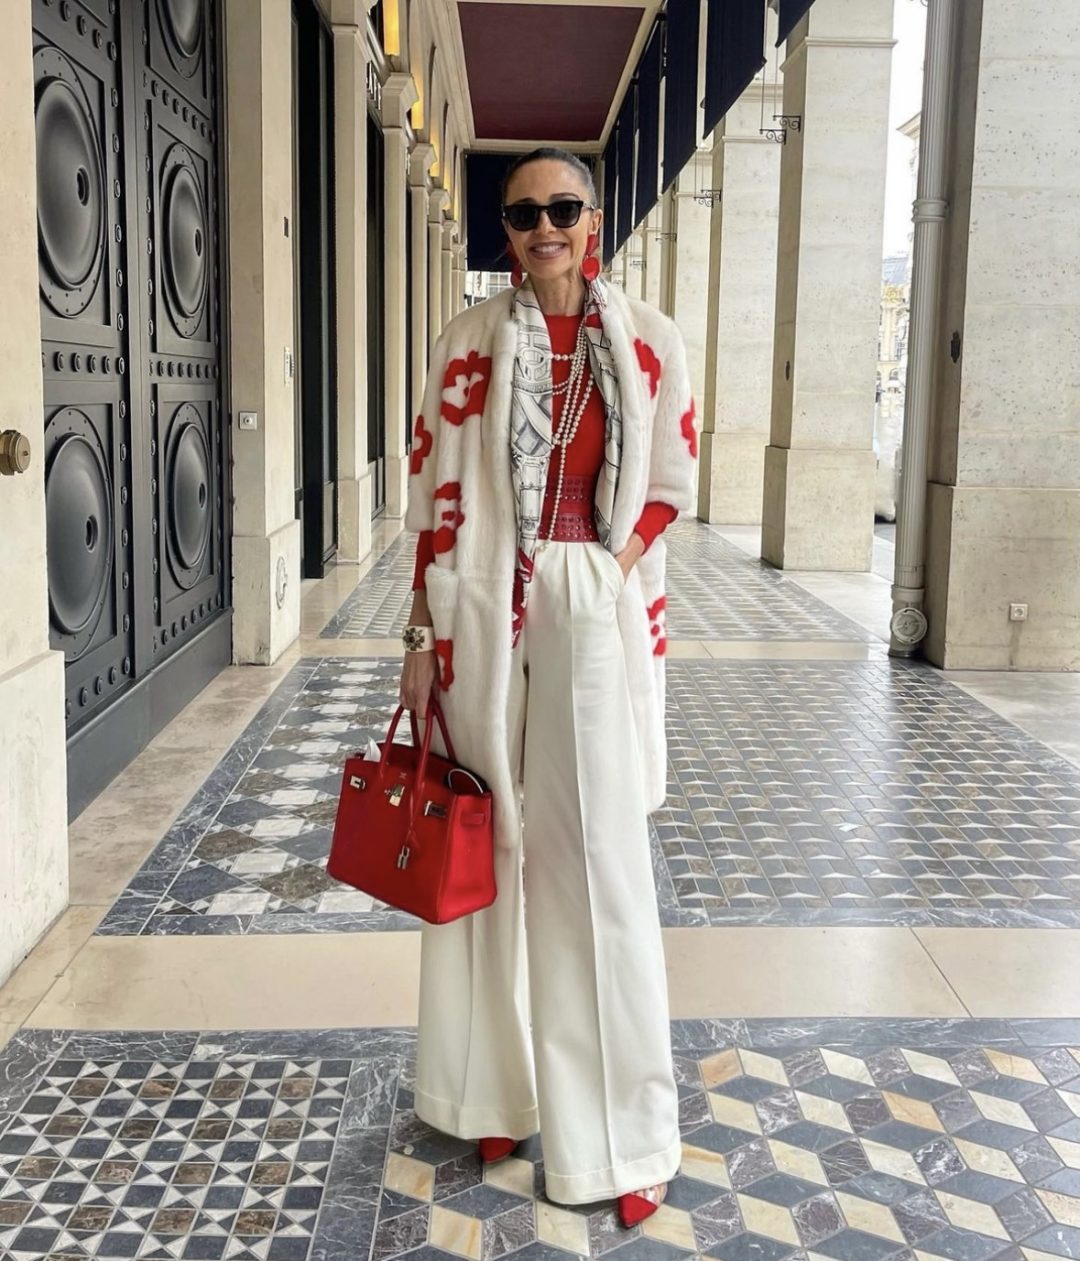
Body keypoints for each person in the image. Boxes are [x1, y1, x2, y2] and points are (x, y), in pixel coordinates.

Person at [399, 147, 698, 1226]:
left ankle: (622, 1136)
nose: (544, 226)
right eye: (524, 212)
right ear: (505, 227)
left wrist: (608, 566)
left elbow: (670, 485)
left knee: (597, 860)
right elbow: (432, 489)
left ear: (593, 216)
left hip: (587, 598)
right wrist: (421, 627)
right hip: (481, 604)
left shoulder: (650, 341)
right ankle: (488, 1083)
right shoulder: (465, 342)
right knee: (485, 844)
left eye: (563, 208)